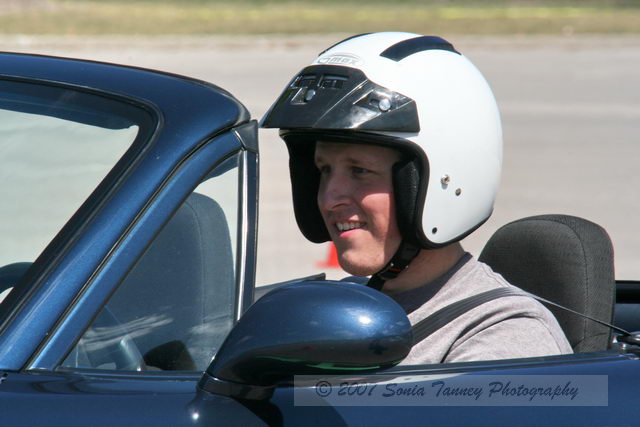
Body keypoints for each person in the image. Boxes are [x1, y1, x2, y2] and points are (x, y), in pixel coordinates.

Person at [261, 32, 572, 364]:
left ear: (441, 178)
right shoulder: (341, 310)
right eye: (323, 170)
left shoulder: (505, 336)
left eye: (360, 171)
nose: (328, 199)